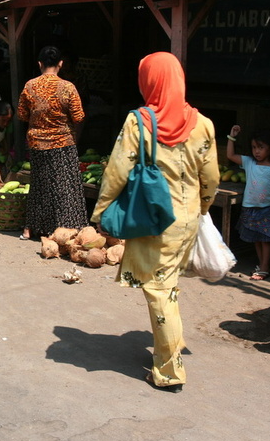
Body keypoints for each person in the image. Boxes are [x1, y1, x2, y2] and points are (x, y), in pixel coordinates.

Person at [91, 51, 220, 393]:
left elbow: (117, 170)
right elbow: (211, 179)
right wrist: (201, 208)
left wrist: (102, 213)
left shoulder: (140, 122)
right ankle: (172, 343)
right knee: (169, 285)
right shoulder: (203, 124)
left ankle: (169, 369)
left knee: (159, 290)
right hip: (189, 218)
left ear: (148, 81)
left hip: (154, 221)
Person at [17, 45, 88, 240]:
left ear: (39, 64)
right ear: (61, 64)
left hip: (37, 144)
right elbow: (79, 116)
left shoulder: (29, 86)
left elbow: (22, 115)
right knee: (65, 187)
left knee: (39, 186)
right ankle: (66, 230)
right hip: (62, 143)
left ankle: (29, 229)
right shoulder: (68, 87)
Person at [226, 125, 270, 280]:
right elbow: (230, 155)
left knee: (266, 239)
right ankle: (263, 266)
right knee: (256, 238)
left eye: (261, 147)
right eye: (254, 147)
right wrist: (231, 137)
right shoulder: (249, 162)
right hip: (249, 208)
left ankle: (265, 267)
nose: (257, 151)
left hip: (268, 209)